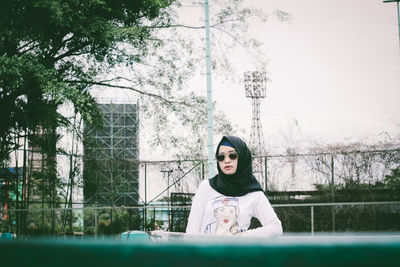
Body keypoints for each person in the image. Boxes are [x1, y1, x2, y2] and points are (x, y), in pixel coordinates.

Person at [186, 136, 283, 237]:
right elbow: (192, 231)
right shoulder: (207, 187)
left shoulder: (254, 194)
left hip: (237, 252)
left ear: (242, 157)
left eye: (232, 155)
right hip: (205, 252)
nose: (226, 160)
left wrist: (243, 235)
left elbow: (276, 228)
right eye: (221, 157)